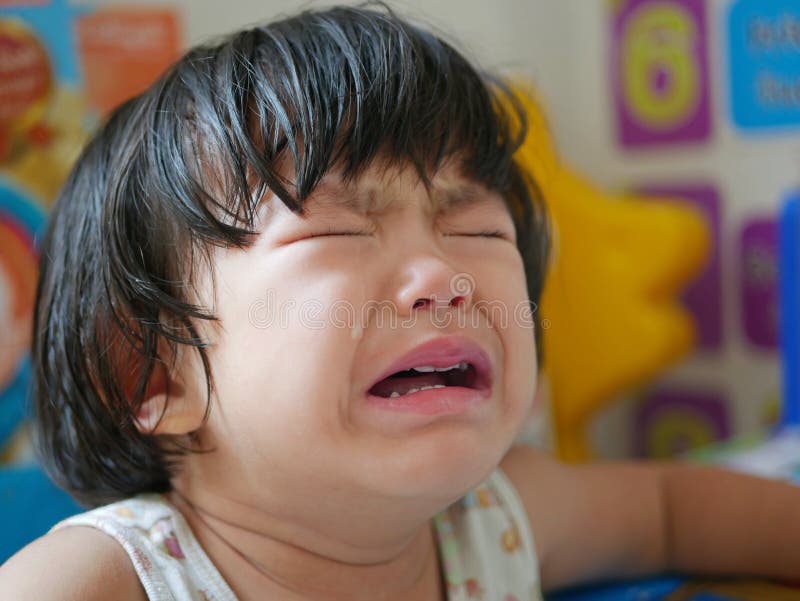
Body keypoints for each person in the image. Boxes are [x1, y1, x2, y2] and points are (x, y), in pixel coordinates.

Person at [2, 4, 800, 601]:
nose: (442, 274)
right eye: (342, 229)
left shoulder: (499, 519)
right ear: (153, 374)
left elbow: (670, 507)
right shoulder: (108, 578)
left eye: (478, 226)